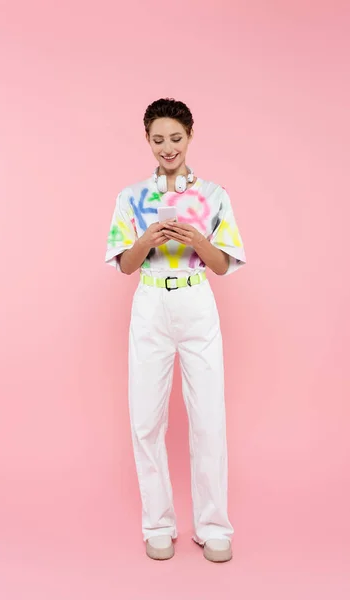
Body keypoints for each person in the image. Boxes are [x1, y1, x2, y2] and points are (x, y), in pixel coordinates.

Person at [105, 98, 246, 562]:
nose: (168, 147)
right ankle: (158, 524)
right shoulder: (130, 198)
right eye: (158, 139)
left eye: (176, 138)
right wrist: (147, 240)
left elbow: (223, 267)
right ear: (147, 140)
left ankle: (212, 525)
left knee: (208, 416)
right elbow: (125, 267)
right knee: (146, 417)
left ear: (190, 136)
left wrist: (197, 241)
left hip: (195, 299)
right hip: (149, 303)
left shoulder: (215, 194)